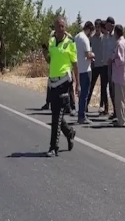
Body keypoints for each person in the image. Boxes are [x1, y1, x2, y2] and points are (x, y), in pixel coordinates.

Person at [43, 16, 77, 156]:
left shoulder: (70, 43)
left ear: (65, 27)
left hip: (64, 81)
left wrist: (78, 84)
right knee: (56, 113)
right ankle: (69, 132)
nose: (60, 29)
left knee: (56, 114)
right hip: (53, 81)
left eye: (62, 26)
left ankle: (53, 147)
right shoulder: (51, 41)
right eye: (58, 26)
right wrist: (45, 53)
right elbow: (50, 60)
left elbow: (75, 64)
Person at [109, 24, 125, 127]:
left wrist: (112, 60)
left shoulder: (120, 44)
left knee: (119, 100)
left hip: (119, 76)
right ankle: (124, 118)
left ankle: (121, 121)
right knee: (124, 99)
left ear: (117, 33)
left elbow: (120, 59)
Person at [75, 21, 95, 124]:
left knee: (81, 93)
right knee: (84, 94)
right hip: (86, 69)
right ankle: (82, 116)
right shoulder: (85, 39)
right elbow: (88, 55)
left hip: (78, 68)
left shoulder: (77, 37)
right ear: (90, 30)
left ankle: (81, 114)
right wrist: (93, 55)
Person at [87, 19, 109, 114]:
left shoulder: (105, 37)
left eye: (99, 27)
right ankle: (85, 105)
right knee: (91, 85)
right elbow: (88, 49)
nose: (97, 29)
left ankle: (103, 106)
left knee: (104, 87)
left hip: (104, 65)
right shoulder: (91, 38)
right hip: (95, 65)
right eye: (96, 27)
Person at [103, 16, 118, 119]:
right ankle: (115, 111)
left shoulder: (115, 36)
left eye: (107, 24)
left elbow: (116, 50)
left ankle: (117, 112)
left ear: (111, 25)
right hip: (108, 65)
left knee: (115, 90)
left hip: (115, 65)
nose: (106, 26)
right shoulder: (107, 35)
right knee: (111, 89)